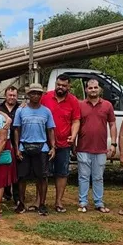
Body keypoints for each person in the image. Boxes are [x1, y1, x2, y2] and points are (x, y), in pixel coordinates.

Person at [14, 83, 56, 216]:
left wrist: (53, 147)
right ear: (28, 95)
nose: (36, 95)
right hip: (24, 146)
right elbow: (16, 129)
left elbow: (50, 130)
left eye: (38, 93)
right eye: (33, 93)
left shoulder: (46, 111)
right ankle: (21, 203)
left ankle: (42, 204)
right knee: (22, 177)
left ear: (42, 95)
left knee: (42, 177)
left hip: (42, 147)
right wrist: (17, 148)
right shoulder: (21, 110)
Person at [41, 74, 80, 213]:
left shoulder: (74, 101)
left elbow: (76, 120)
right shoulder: (45, 97)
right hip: (45, 143)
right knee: (43, 174)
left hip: (64, 144)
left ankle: (58, 202)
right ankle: (40, 201)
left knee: (62, 173)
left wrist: (73, 135)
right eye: (58, 84)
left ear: (69, 86)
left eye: (64, 85)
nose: (60, 87)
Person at [76, 78, 116, 213]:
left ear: (100, 89)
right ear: (86, 89)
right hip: (83, 147)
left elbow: (112, 124)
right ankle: (83, 202)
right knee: (83, 176)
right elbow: (76, 124)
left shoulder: (107, 105)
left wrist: (114, 144)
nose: (93, 90)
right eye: (90, 88)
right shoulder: (80, 105)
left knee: (98, 177)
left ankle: (99, 202)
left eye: (95, 87)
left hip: (101, 148)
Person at [0, 85, 21, 207]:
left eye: (14, 95)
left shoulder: (21, 108)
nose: (12, 97)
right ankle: (5, 194)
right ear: (5, 96)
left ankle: (17, 197)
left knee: (16, 171)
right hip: (2, 142)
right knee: (3, 169)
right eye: (9, 95)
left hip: (17, 142)